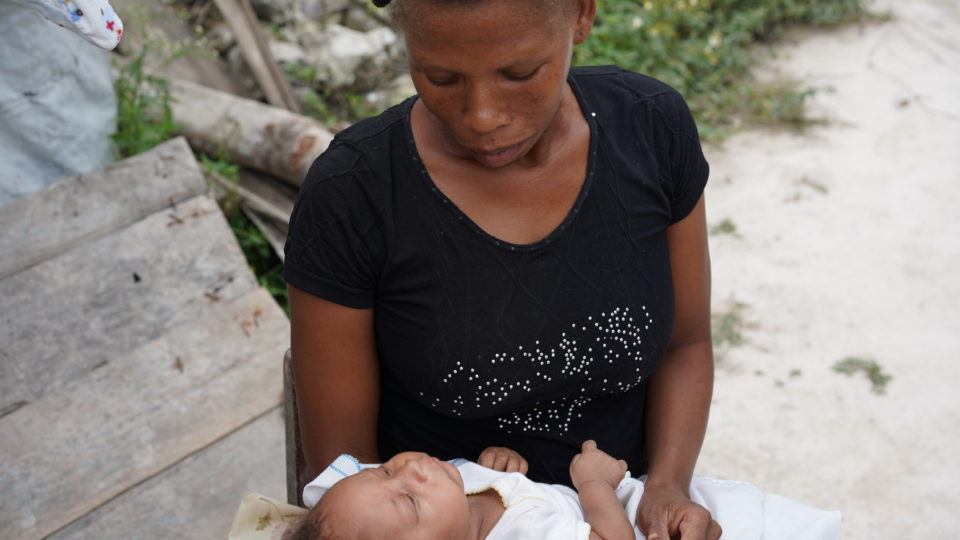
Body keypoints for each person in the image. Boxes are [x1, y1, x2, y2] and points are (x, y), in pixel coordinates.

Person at [283, 0, 717, 537]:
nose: (482, 116)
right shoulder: (354, 195)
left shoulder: (651, 128)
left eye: (520, 73)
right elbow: (345, 478)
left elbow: (687, 343)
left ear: (581, 15)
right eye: (439, 77)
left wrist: (668, 487)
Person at [283, 444, 841, 540]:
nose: (411, 470)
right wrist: (593, 483)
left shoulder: (452, 492)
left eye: (383, 472)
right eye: (407, 499)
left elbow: (336, 480)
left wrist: (496, 467)